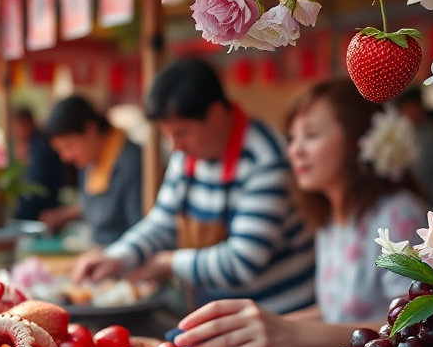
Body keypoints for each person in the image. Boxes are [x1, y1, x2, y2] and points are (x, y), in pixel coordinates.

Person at [173, 80, 428, 347]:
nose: (294, 150)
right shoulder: (331, 218)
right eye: (292, 138)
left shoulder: (400, 215)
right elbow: (338, 314)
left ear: (359, 137)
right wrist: (259, 327)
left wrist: (293, 333)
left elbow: (413, 327)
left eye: (311, 135)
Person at [72, 58, 316, 319]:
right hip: (219, 312)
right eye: (168, 135)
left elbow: (243, 261)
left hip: (280, 316)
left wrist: (166, 263)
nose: (175, 146)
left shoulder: (264, 160)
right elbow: (163, 221)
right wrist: (118, 256)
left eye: (182, 133)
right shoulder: (188, 154)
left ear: (215, 114)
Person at [39, 96, 144, 246]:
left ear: (90, 129)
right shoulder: (89, 163)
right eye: (60, 150)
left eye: (69, 146)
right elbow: (91, 206)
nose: (65, 157)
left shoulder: (131, 161)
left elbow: (140, 230)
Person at [395, 88, 433, 213]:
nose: (404, 115)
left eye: (407, 109)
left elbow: (424, 177)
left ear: (417, 107)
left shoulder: (432, 136)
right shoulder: (415, 133)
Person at [10, 107, 70, 222]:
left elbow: (36, 185)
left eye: (18, 126)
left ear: (28, 123)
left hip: (43, 211)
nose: (16, 131)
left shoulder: (41, 147)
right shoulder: (28, 144)